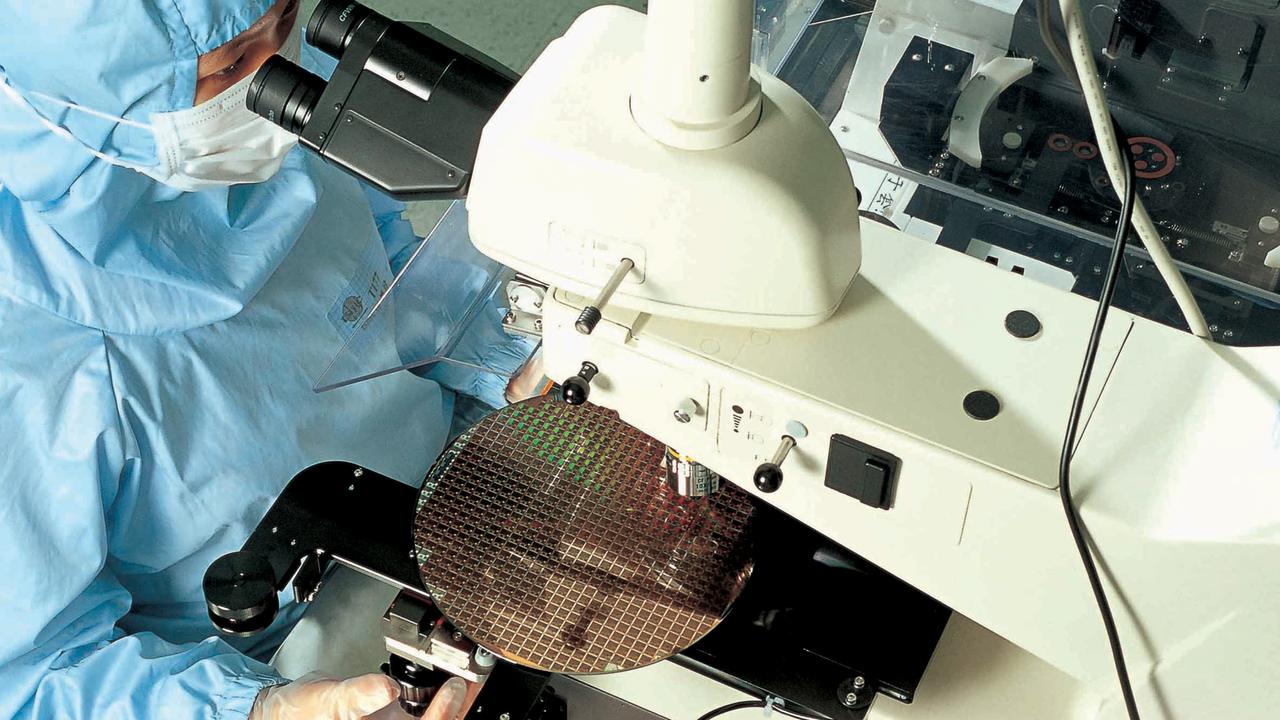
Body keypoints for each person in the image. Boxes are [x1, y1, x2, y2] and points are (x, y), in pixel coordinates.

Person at [0, 0, 531, 717]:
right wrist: (267, 708)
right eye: (229, 64)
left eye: (282, 22)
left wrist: (518, 358)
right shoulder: (29, 361)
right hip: (290, 651)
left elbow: (384, 282)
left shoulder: (257, 127)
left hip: (463, 499)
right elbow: (33, 675)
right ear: (88, 93)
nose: (277, 71)